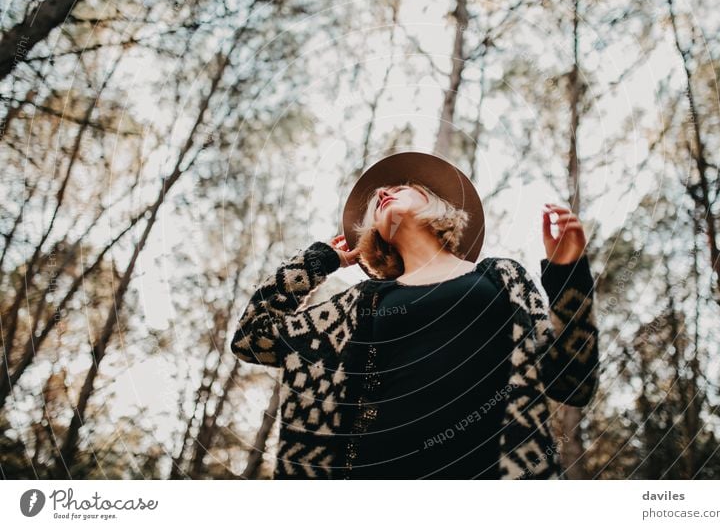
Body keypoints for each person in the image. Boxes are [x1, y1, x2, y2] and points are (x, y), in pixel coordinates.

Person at [231, 151, 599, 480]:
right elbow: (252, 338)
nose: (381, 193)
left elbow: (572, 383)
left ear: (435, 204)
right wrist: (319, 260)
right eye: (376, 199)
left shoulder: (502, 276)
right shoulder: (357, 305)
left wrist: (568, 275)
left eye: (402, 186)